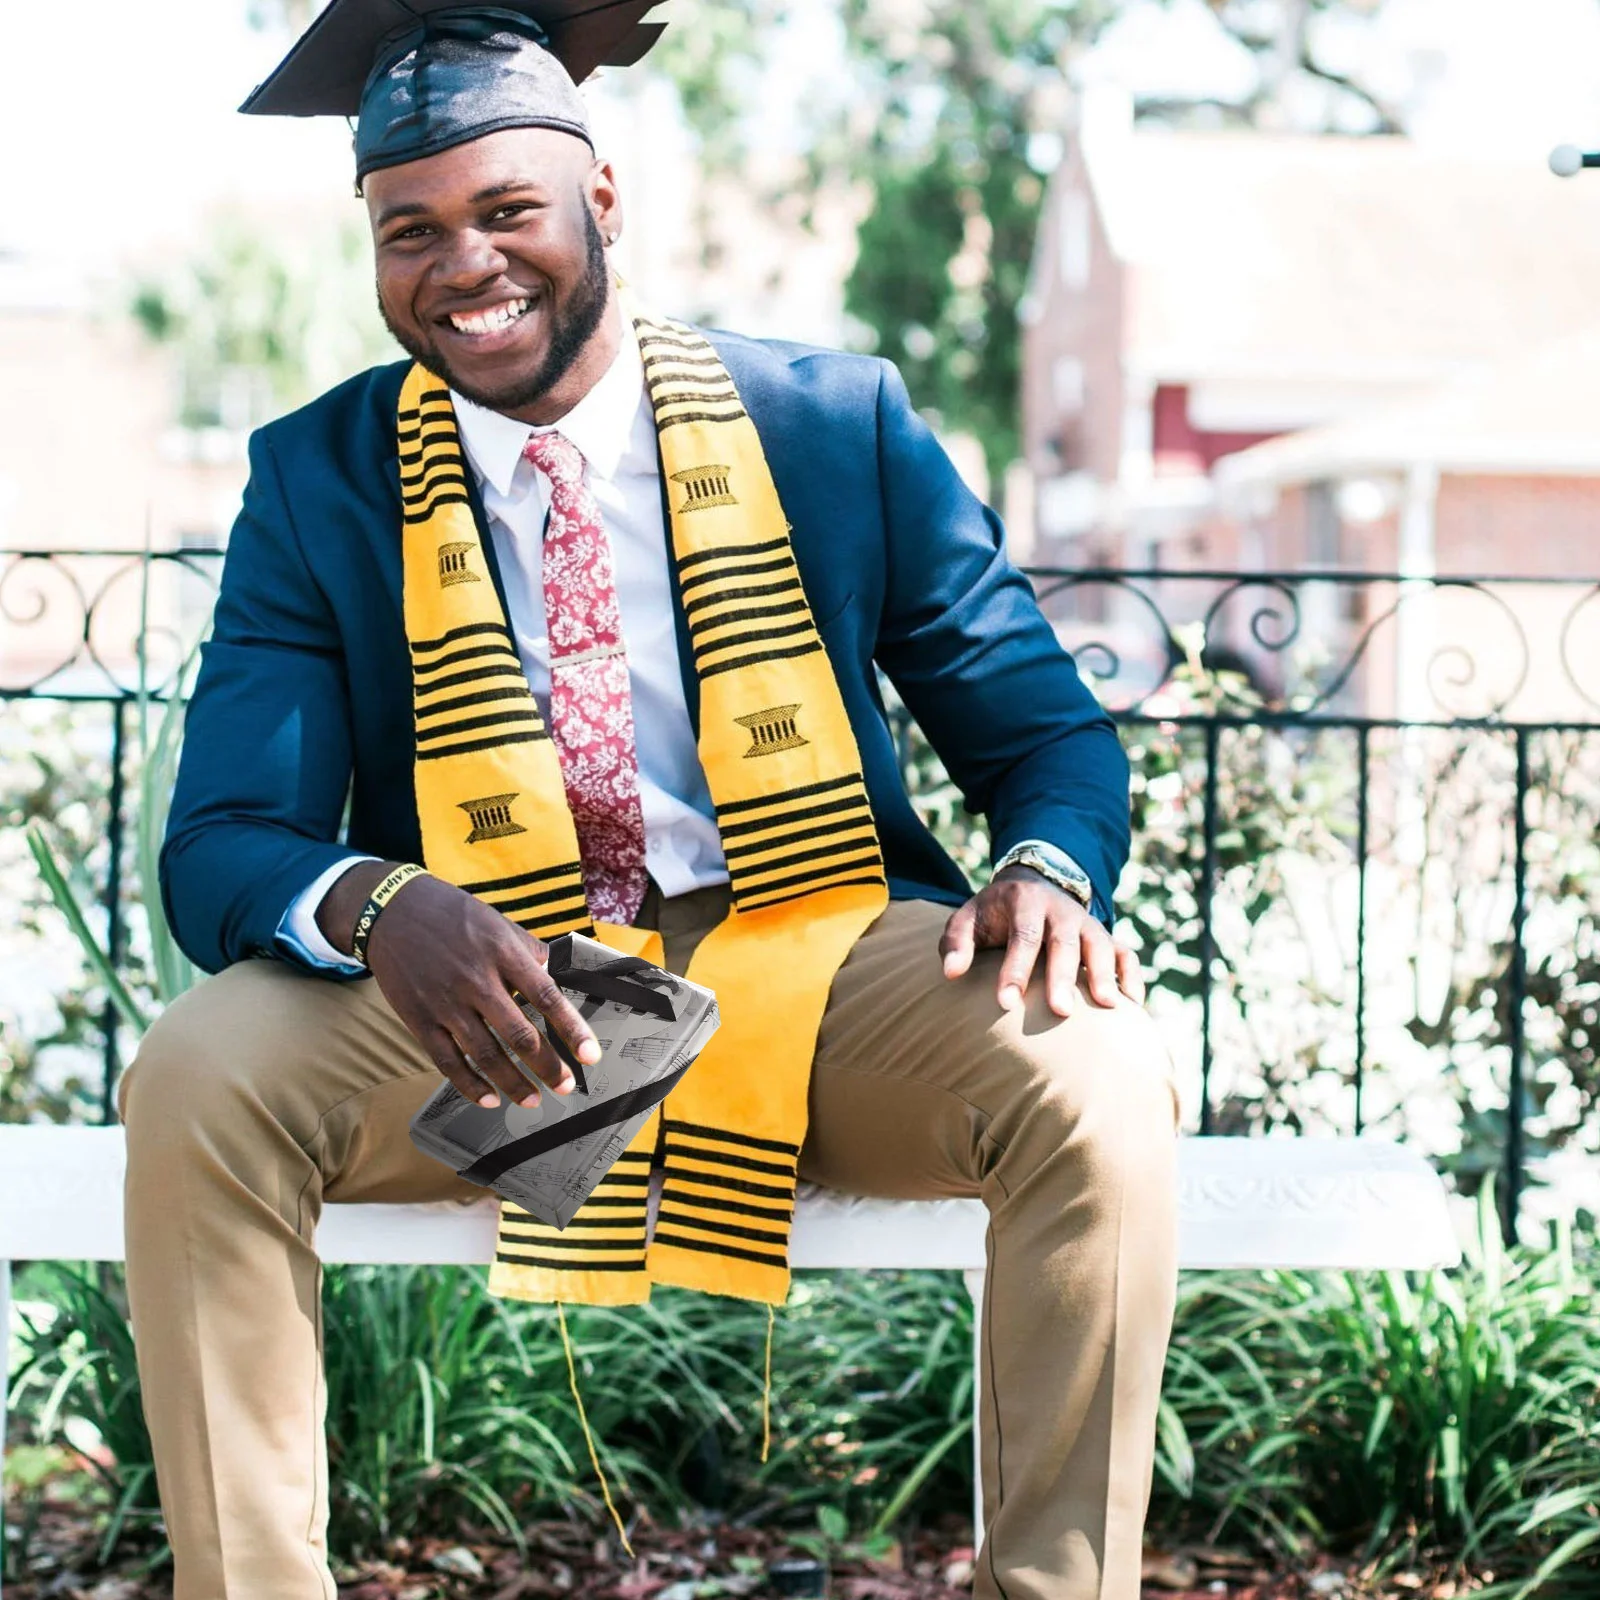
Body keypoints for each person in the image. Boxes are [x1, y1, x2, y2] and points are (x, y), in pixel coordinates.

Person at [119, 4, 1181, 1597]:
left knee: (1091, 1075)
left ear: (600, 203)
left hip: (815, 953)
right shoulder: (318, 476)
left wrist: (1040, 869)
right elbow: (223, 845)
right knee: (202, 1079)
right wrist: (374, 902)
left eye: (505, 214)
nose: (463, 268)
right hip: (502, 983)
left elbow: (1050, 742)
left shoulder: (835, 425)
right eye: (411, 233)